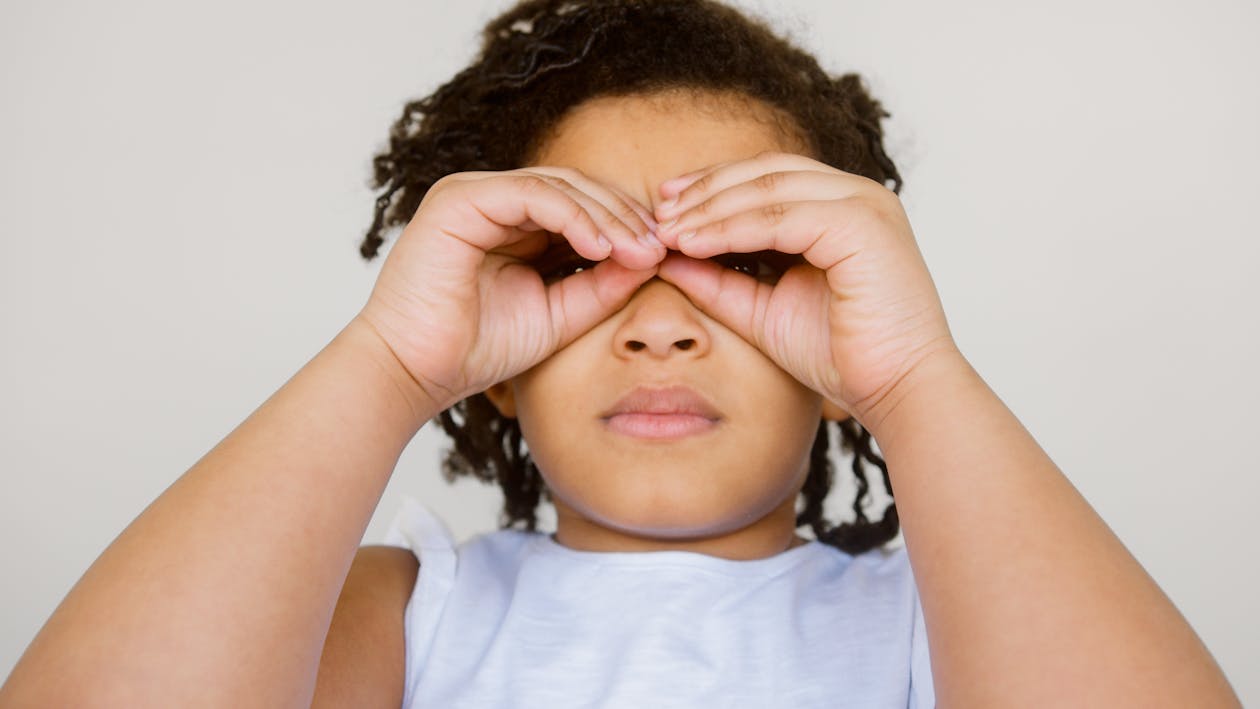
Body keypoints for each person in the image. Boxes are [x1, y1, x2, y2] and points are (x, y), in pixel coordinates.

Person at [0, 0, 1240, 707]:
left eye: (747, 264)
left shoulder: (954, 628)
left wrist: (917, 383)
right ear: (495, 349)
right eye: (579, 263)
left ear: (837, 353)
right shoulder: (404, 616)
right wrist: (388, 360)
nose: (657, 320)